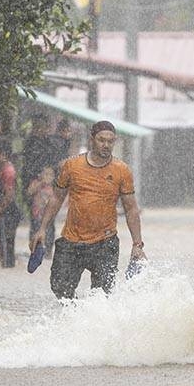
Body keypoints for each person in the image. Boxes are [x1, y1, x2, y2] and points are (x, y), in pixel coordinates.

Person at [30, 120, 146, 300]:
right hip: (71, 240)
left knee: (101, 297)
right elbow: (57, 198)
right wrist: (42, 229)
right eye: (101, 140)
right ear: (92, 139)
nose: (106, 145)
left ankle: (92, 323)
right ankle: (77, 320)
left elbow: (131, 209)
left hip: (105, 243)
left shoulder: (122, 170)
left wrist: (137, 245)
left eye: (110, 141)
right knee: (60, 288)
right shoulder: (72, 166)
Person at [20, 113, 61, 249]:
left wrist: (49, 179)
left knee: (49, 218)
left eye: (41, 127)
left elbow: (55, 164)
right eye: (36, 127)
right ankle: (37, 248)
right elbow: (27, 167)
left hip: (49, 187)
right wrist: (33, 183)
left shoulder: (50, 143)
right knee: (36, 218)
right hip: (34, 186)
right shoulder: (30, 143)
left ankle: (47, 248)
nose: (38, 130)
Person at [0, 138, 22, 268]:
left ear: (3, 155)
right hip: (5, 212)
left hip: (8, 213)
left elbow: (9, 196)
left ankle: (6, 269)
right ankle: (6, 269)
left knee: (6, 247)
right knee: (5, 246)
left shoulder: (8, 171)